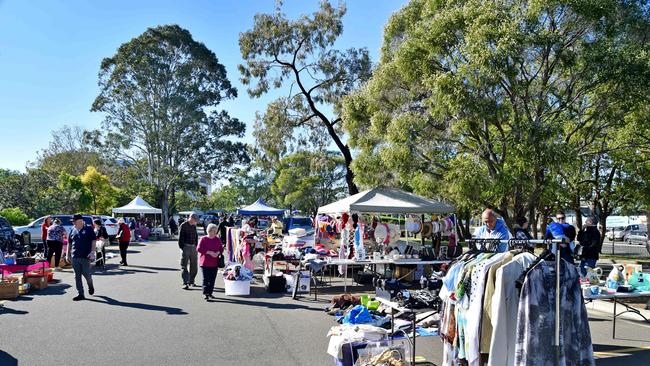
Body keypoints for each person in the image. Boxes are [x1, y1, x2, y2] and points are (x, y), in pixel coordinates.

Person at [66, 214, 96, 301]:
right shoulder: (72, 229)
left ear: (80, 221)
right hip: (75, 256)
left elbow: (93, 240)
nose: (73, 223)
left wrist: (92, 252)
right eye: (73, 221)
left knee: (87, 274)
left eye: (74, 221)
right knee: (77, 276)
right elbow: (69, 243)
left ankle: (90, 285)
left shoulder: (88, 228)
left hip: (86, 256)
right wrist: (67, 254)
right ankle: (81, 294)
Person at [197, 223, 223, 301]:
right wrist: (209, 252)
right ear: (209, 231)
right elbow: (199, 249)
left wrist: (217, 253)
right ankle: (206, 293)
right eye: (213, 231)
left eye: (216, 231)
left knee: (212, 279)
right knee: (206, 279)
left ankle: (210, 293)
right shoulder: (203, 239)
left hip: (214, 263)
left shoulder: (217, 239)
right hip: (204, 263)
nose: (215, 233)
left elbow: (221, 249)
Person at [178, 212, 199, 289]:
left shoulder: (194, 226)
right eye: (195, 220)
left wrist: (196, 246)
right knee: (184, 264)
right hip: (185, 246)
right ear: (191, 218)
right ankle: (185, 282)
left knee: (194, 265)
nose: (195, 221)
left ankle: (192, 281)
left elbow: (196, 236)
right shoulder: (183, 225)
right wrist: (182, 247)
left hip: (193, 247)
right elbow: (180, 238)